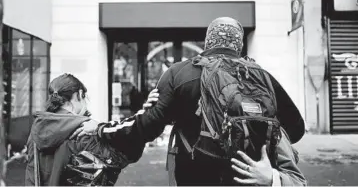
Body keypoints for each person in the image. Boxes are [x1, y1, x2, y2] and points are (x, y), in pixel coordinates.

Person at [78, 17, 307, 186]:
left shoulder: (179, 74)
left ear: (208, 41)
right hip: (250, 176)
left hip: (194, 176)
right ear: (238, 45)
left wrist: (101, 130)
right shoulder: (261, 77)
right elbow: (295, 130)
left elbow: (147, 126)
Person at [24, 73, 158, 186]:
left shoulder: (36, 131)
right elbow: (120, 158)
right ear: (79, 94)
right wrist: (145, 116)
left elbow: (31, 176)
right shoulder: (83, 130)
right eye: (85, 98)